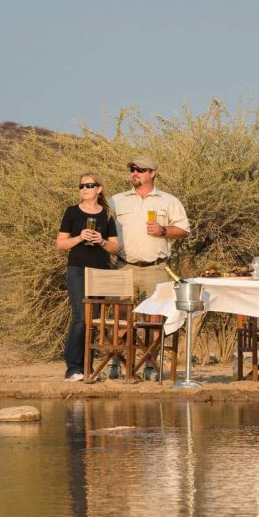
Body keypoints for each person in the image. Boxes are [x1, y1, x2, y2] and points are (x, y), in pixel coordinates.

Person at [56, 173, 119, 382]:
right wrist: (79, 237)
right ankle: (73, 368)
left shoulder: (107, 214)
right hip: (78, 270)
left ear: (99, 189)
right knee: (81, 317)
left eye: (89, 185)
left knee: (94, 320)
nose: (84, 188)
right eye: (81, 185)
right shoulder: (72, 212)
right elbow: (61, 243)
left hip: (100, 271)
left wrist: (101, 241)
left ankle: (88, 368)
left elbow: (115, 247)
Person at [110, 156, 190, 300]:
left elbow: (184, 231)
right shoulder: (116, 200)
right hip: (123, 268)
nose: (135, 173)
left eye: (140, 170)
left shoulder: (169, 200)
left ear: (152, 173)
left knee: (153, 312)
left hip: (155, 270)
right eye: (132, 170)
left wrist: (163, 230)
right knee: (121, 313)